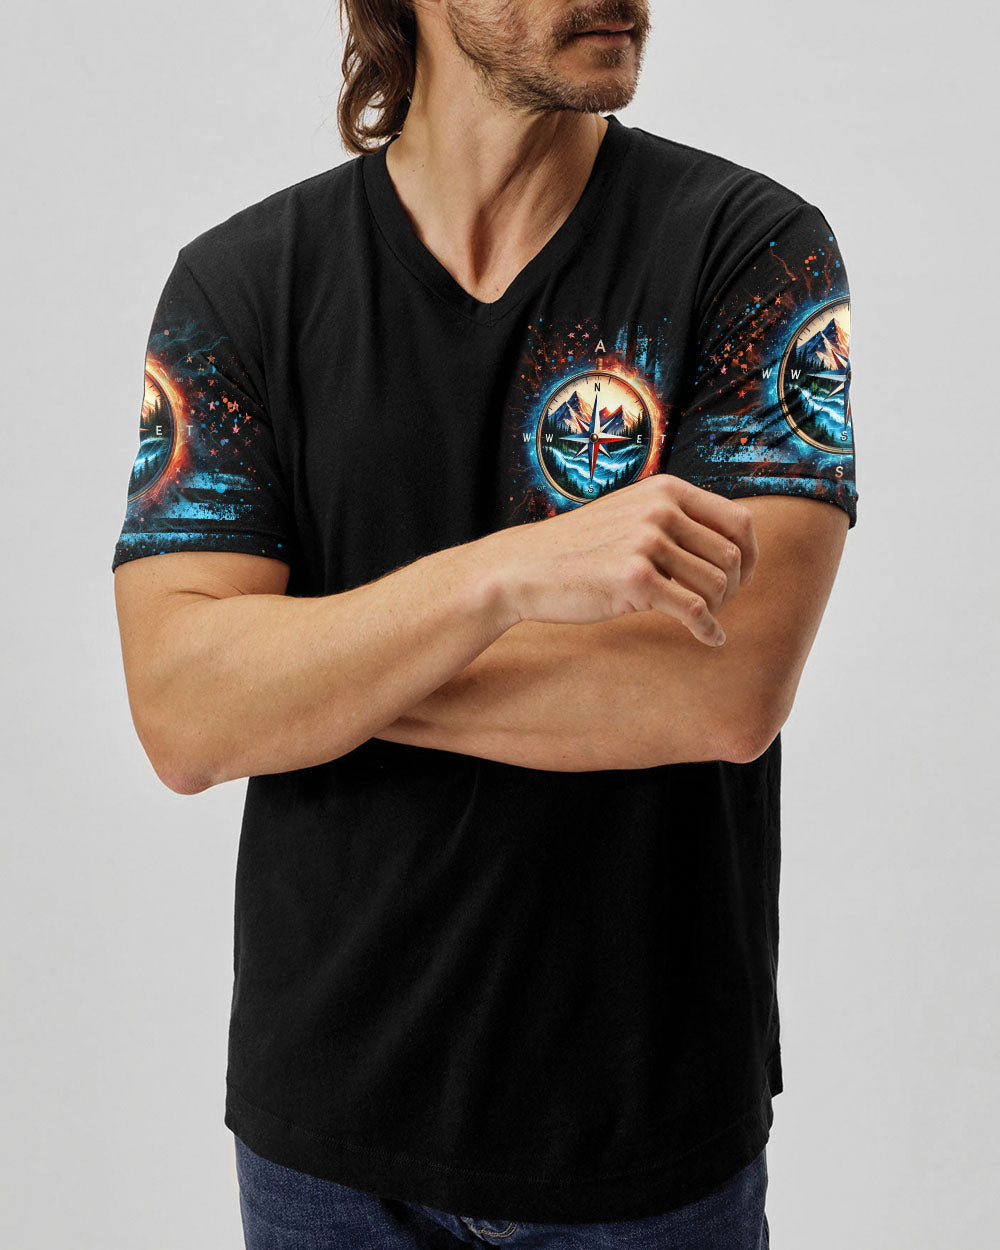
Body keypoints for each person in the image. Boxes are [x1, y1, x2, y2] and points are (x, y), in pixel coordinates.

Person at [111, 1, 857, 1245]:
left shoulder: (750, 250)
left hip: (643, 1130)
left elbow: (722, 693)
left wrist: (305, 677)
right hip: (325, 1138)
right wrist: (501, 579)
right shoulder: (242, 285)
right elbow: (183, 717)